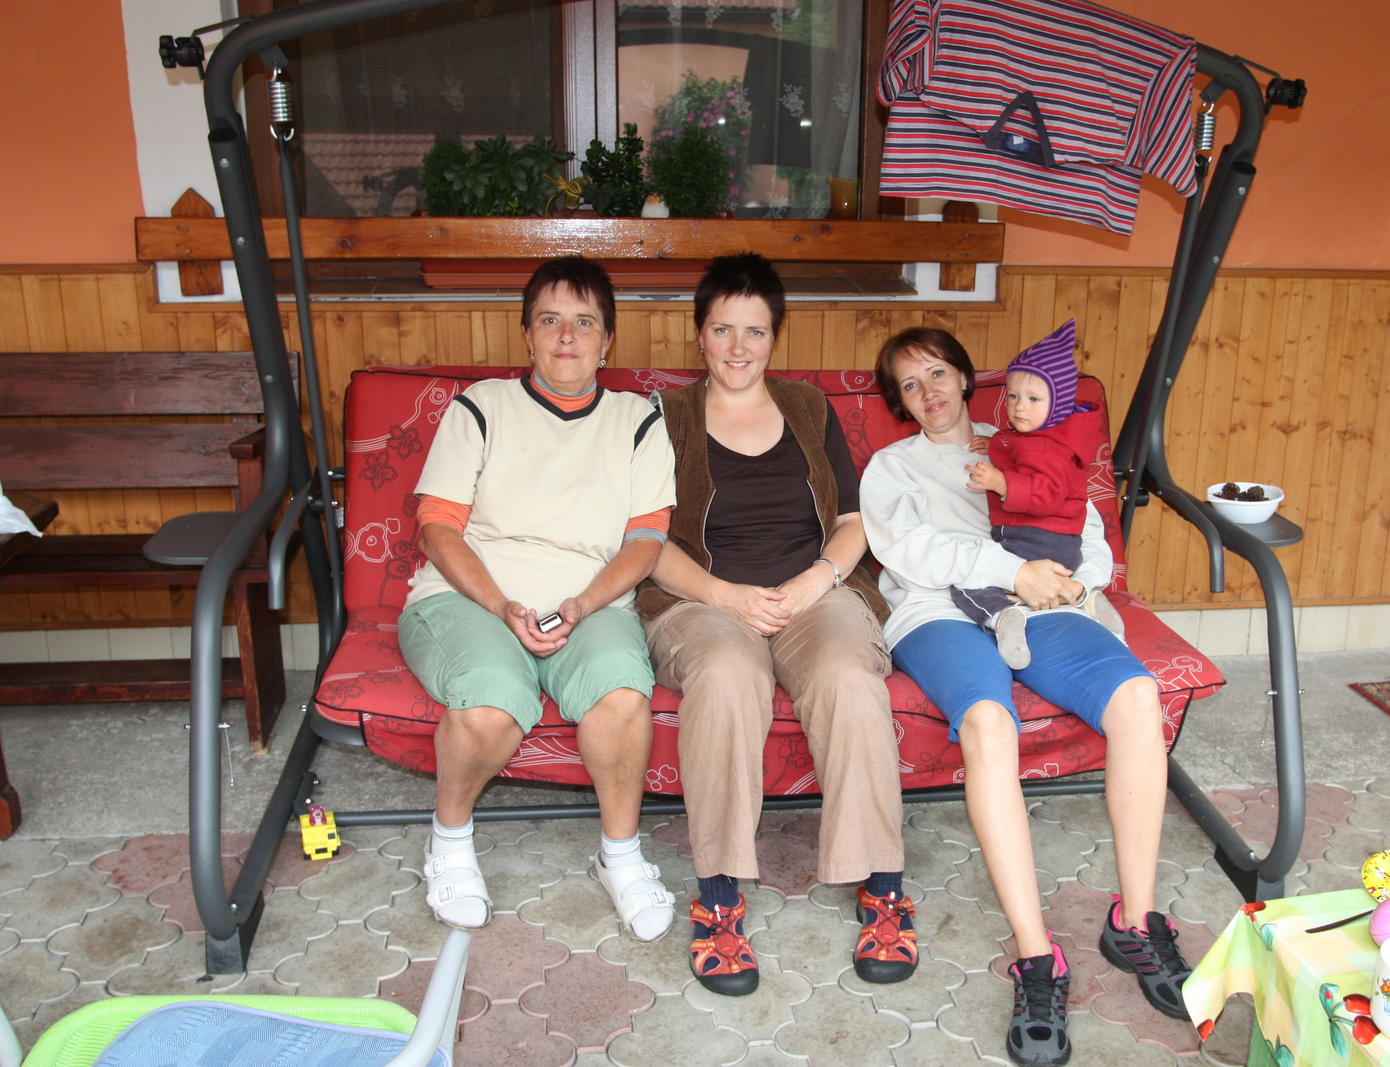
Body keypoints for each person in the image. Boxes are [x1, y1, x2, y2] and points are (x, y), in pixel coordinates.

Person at [860, 327, 1191, 1067]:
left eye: (937, 372)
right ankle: (1037, 956)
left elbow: (1087, 531)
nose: (928, 391)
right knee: (988, 722)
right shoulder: (892, 468)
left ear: (965, 377)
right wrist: (1010, 568)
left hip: (1040, 606)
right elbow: (911, 553)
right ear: (900, 402)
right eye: (910, 384)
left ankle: (1136, 920)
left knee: (1138, 696)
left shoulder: (1024, 440)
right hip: (939, 611)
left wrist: (1072, 582)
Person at [636, 253, 912, 997]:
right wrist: (725, 596)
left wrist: (815, 579)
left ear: (774, 337)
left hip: (809, 592)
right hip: (701, 598)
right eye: (722, 329)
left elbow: (853, 521)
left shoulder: (808, 407)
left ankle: (882, 884)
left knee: (849, 675)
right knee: (727, 676)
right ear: (699, 334)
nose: (738, 347)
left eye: (754, 331)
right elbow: (646, 541)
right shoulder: (665, 416)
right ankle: (719, 896)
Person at [399, 256, 677, 942]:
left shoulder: (637, 420)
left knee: (621, 697)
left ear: (607, 340)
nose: (567, 336)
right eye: (550, 320)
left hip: (589, 601)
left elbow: (645, 544)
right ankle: (449, 840)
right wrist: (502, 606)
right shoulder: (481, 407)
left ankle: (620, 855)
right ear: (527, 334)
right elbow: (436, 528)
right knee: (490, 703)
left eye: (585, 322)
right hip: (470, 598)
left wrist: (581, 604)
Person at [952, 319, 1124, 671]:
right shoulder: (1045, 438)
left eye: (1033, 399)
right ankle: (1084, 598)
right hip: (1059, 543)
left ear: (1057, 404)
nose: (1019, 407)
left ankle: (1004, 617)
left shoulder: (1046, 448)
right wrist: (995, 444)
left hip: (1035, 539)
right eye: (1013, 396)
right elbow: (1022, 451)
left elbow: (1047, 494)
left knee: (968, 582)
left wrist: (1001, 482)